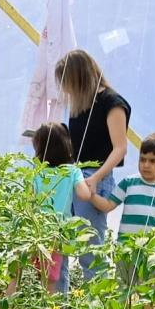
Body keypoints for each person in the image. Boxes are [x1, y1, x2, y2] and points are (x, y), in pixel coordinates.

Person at [55, 49, 131, 282]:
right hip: (74, 178)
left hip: (93, 178)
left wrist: (96, 178)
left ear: (78, 77)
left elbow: (120, 148)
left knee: (90, 250)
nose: (65, 89)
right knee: (62, 247)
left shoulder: (112, 103)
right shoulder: (79, 105)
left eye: (66, 82)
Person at [89, 132, 155, 286]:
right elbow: (108, 205)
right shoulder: (129, 183)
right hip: (126, 250)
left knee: (149, 292)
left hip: (152, 252)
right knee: (122, 289)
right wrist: (90, 194)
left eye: (153, 161)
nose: (146, 165)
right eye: (142, 159)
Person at [31, 122, 92, 293]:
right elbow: (84, 195)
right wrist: (90, 186)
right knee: (50, 279)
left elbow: (29, 198)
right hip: (57, 233)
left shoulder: (37, 171)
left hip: (35, 229)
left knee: (19, 273)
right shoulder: (72, 171)